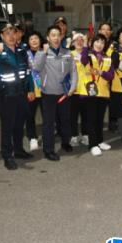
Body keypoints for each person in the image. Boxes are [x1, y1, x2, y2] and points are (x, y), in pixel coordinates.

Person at [0, 23, 36, 170]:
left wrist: (30, 89)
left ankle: (18, 150)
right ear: (2, 36)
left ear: (17, 35)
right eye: (7, 34)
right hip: (7, 95)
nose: (11, 36)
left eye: (13, 33)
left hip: (21, 94)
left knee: (19, 124)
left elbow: (27, 72)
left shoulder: (22, 51)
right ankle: (7, 156)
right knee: (7, 127)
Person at [33, 26, 78, 161]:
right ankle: (48, 150)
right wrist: (43, 52)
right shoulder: (42, 53)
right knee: (49, 123)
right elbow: (36, 68)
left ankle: (65, 142)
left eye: (58, 35)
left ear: (61, 37)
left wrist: (72, 87)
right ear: (48, 38)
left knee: (65, 119)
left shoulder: (67, 53)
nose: (56, 38)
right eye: (53, 35)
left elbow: (73, 71)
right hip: (48, 93)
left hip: (64, 92)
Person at [80, 33, 115, 156]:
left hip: (103, 92)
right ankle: (93, 144)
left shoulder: (108, 58)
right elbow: (83, 60)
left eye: (102, 42)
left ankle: (99, 141)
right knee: (91, 119)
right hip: (90, 92)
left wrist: (101, 72)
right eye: (97, 41)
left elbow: (111, 75)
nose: (99, 44)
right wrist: (85, 45)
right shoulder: (88, 54)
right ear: (92, 43)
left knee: (100, 119)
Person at [25, 31, 44, 151]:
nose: (34, 41)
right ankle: (32, 138)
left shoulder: (45, 52)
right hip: (31, 90)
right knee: (30, 115)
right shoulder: (24, 54)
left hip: (45, 89)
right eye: (31, 39)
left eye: (36, 38)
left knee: (47, 116)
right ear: (28, 42)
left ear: (40, 40)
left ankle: (47, 136)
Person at [69, 32, 89, 147]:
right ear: (73, 43)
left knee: (86, 114)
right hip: (74, 89)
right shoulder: (69, 54)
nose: (80, 42)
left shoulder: (88, 54)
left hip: (86, 89)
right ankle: (74, 135)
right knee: (73, 115)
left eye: (82, 40)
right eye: (77, 40)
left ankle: (86, 135)